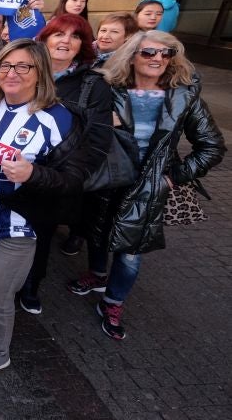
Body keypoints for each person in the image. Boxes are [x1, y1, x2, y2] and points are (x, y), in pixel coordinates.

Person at [67, 31, 225, 340]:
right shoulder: (109, 88)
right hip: (106, 176)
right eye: (150, 53)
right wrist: (101, 122)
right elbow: (78, 125)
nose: (158, 59)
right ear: (131, 56)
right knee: (96, 231)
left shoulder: (183, 96)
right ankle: (96, 275)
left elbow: (212, 146)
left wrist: (172, 177)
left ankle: (112, 302)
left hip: (147, 185)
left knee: (130, 252)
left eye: (166, 54)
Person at [0, 39, 89, 378]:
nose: (11, 73)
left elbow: (76, 179)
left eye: (22, 66)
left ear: (39, 71)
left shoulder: (58, 119)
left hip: (21, 223)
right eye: (4, 66)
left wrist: (33, 173)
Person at [15, 14, 112, 312]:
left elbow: (98, 140)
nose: (65, 41)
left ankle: (31, 286)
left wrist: (70, 177)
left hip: (53, 178)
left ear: (83, 45)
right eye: (58, 34)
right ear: (44, 39)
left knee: (39, 234)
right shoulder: (24, 71)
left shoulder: (92, 85)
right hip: (12, 168)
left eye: (74, 36)